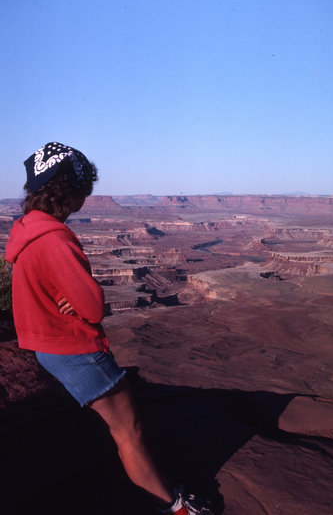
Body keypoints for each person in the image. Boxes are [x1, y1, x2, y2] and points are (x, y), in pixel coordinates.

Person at [5, 142, 213, 515]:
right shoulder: (56, 239)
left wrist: (68, 299)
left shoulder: (26, 229)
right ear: (69, 189)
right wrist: (83, 298)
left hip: (45, 346)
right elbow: (94, 307)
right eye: (86, 186)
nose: (89, 195)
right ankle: (175, 506)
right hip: (75, 350)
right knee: (129, 432)